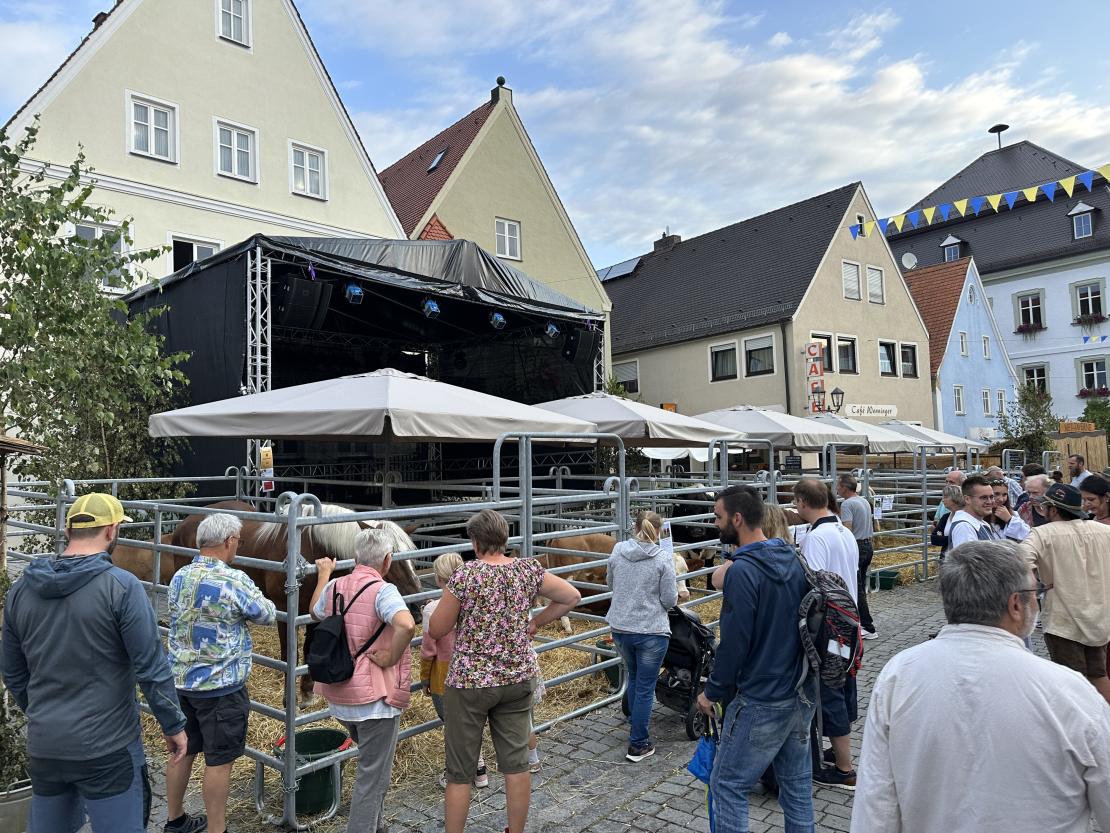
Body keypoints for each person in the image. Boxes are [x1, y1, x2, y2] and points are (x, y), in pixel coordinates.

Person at [851, 540, 1110, 833]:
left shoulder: (900, 673)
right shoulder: (1069, 692)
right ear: (1016, 604)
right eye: (1036, 593)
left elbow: (876, 801)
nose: (1037, 601)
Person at [1, 493, 188, 833]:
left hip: (46, 744)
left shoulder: (21, 590)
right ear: (112, 530)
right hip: (108, 747)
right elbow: (151, 667)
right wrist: (173, 725)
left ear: (68, 531)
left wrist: (43, 711)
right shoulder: (122, 588)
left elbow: (12, 671)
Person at [428, 510, 580, 833]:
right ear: (504, 538)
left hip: (470, 682)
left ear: (475, 542)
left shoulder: (465, 576)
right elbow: (571, 596)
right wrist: (536, 622)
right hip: (516, 677)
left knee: (459, 773)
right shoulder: (527, 569)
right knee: (516, 764)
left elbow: (437, 628)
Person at [696, 486, 816, 833]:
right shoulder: (793, 558)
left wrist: (712, 692)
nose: (715, 524)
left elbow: (735, 644)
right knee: (796, 785)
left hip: (761, 696)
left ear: (737, 518)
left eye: (718, 517)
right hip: (800, 691)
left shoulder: (742, 572)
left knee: (728, 784)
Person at [165, 513, 277, 833]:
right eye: (238, 541)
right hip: (220, 686)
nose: (238, 546)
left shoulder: (180, 576)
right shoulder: (234, 580)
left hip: (181, 682)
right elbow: (267, 614)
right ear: (228, 541)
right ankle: (217, 829)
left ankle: (175, 820)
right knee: (219, 761)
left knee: (182, 750)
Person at [309, 528, 418, 833]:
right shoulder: (384, 591)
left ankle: (376, 825)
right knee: (372, 777)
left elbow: (314, 611)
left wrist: (323, 575)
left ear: (355, 558)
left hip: (341, 697)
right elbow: (406, 625)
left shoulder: (335, 586)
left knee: (375, 767)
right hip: (374, 702)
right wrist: (391, 657)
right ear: (387, 560)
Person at [792, 477, 859, 790]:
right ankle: (839, 749)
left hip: (830, 625)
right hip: (848, 620)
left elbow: (815, 587)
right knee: (843, 685)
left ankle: (844, 769)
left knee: (829, 691)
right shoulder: (843, 531)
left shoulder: (816, 537)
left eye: (796, 502)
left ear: (803, 502)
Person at [1020, 483, 1110, 703]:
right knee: (1099, 674)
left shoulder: (1042, 534)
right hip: (1100, 618)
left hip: (1063, 621)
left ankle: (1078, 721)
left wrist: (1038, 586)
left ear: (1053, 509)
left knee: (1070, 680)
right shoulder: (1104, 531)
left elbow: (1018, 563)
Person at [605, 510, 677, 761]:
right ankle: (638, 744)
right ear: (658, 531)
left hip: (621, 628)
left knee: (635, 676)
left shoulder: (618, 550)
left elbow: (610, 584)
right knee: (646, 686)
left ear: (634, 527)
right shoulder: (663, 558)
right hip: (651, 630)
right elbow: (670, 599)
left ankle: (635, 719)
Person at [420, 552, 490, 788]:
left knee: (452, 725)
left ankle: (454, 772)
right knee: (472, 721)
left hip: (444, 675)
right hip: (473, 671)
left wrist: (424, 679)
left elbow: (428, 651)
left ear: (439, 579)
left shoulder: (432, 610)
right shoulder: (477, 603)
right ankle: (479, 769)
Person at [836, 474, 877, 640]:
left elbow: (847, 529)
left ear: (845, 488)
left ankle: (868, 627)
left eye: (838, 486)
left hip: (857, 546)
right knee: (860, 587)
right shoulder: (864, 501)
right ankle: (863, 623)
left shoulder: (847, 504)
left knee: (857, 589)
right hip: (868, 545)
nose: (836, 489)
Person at [946, 474, 1002, 549]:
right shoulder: (964, 527)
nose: (989, 502)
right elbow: (966, 556)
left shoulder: (979, 523)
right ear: (967, 499)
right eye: (984, 497)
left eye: (991, 497)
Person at [929, 485, 964, 560]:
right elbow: (934, 539)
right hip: (945, 558)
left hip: (960, 559)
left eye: (945, 497)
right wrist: (952, 539)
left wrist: (944, 538)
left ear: (955, 498)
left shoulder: (966, 517)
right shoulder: (945, 517)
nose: (942, 500)